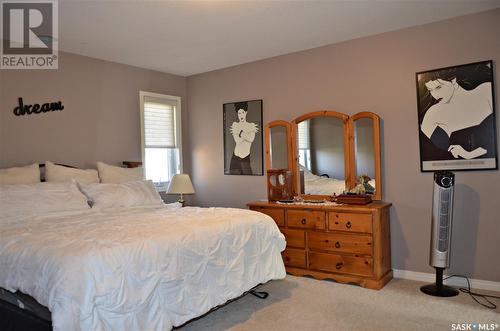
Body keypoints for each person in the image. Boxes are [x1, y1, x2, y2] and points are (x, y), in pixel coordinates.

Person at [419, 63, 494, 160]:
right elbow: (435, 155)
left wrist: (470, 154)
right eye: (430, 90)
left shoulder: (486, 91)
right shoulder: (432, 114)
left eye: (438, 87)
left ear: (453, 80)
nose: (435, 94)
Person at [229, 102, 259, 174]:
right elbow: (238, 141)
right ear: (237, 114)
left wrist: (240, 133)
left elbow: (251, 139)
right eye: (239, 113)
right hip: (235, 159)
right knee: (234, 181)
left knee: (249, 178)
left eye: (243, 112)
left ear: (246, 112)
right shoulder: (235, 125)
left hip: (246, 158)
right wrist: (247, 133)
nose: (241, 115)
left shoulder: (251, 125)